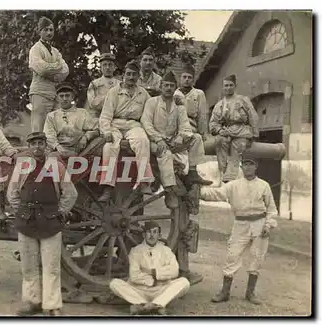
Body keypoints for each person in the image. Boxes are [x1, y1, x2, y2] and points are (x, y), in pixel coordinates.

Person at [7, 132, 78, 316]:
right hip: (27, 220)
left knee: (51, 266)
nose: (37, 147)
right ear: (29, 147)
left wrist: (60, 211)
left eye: (40, 143)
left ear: (46, 145)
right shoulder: (22, 166)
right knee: (29, 265)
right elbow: (12, 192)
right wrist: (21, 210)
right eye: (33, 144)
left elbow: (70, 193)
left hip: (50, 220)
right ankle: (32, 302)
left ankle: (52, 305)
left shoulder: (56, 166)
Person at [200, 156, 278, 305]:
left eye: (251, 164)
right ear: (241, 167)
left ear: (256, 167)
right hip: (240, 224)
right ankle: (225, 292)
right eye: (245, 164)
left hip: (259, 224)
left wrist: (269, 225)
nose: (248, 167)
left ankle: (250, 293)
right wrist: (199, 190)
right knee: (232, 255)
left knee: (257, 257)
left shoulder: (264, 185)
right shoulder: (233, 185)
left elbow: (272, 209)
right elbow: (215, 194)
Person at [141, 71, 212, 208]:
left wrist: (180, 137)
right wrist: (158, 139)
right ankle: (169, 190)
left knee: (196, 138)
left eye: (171, 86)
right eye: (166, 85)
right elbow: (146, 123)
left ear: (175, 88)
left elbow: (185, 126)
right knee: (165, 153)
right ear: (161, 86)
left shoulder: (179, 106)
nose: (168, 88)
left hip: (173, 141)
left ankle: (192, 170)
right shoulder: (152, 102)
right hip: (156, 141)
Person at [97, 60, 155, 202]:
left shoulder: (143, 93)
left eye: (134, 75)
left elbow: (150, 112)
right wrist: (106, 131)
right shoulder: (114, 92)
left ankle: (144, 181)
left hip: (133, 124)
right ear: (123, 75)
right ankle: (108, 187)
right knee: (109, 147)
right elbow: (105, 115)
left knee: (142, 141)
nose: (131, 77)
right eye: (128, 74)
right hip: (115, 123)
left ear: (138, 76)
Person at [109, 221, 190, 315]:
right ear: (144, 235)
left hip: (160, 289)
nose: (152, 235)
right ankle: (149, 305)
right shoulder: (135, 251)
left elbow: (174, 271)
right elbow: (134, 275)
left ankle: (151, 304)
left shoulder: (166, 251)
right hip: (140, 290)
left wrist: (154, 272)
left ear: (159, 236)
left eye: (155, 232)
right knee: (114, 283)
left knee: (184, 282)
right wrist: (153, 279)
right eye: (149, 232)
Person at [209, 74, 259, 183]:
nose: (228, 88)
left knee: (237, 147)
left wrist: (254, 135)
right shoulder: (220, 104)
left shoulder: (243, 100)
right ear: (223, 87)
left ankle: (230, 177)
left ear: (235, 86)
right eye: (226, 85)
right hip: (227, 131)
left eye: (231, 85)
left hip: (242, 131)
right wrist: (219, 130)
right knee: (219, 141)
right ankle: (223, 171)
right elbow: (213, 123)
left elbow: (253, 117)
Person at [28, 16, 69, 133]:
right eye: (45, 30)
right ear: (39, 31)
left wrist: (53, 72)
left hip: (54, 92)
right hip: (39, 92)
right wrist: (57, 66)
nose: (49, 32)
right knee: (38, 127)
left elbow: (66, 70)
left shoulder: (55, 51)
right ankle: (36, 150)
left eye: (51, 30)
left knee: (55, 127)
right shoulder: (35, 49)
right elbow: (42, 69)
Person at [43, 82, 100, 159]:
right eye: (61, 96)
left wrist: (86, 137)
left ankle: (80, 157)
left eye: (67, 95)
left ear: (72, 97)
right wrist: (58, 147)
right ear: (57, 98)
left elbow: (97, 129)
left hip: (79, 149)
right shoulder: (52, 115)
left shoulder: (82, 112)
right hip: (59, 148)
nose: (65, 99)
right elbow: (49, 135)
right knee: (52, 157)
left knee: (100, 140)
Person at [174, 64, 209, 140]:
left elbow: (202, 115)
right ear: (180, 78)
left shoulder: (198, 93)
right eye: (184, 77)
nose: (187, 79)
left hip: (191, 125)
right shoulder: (174, 94)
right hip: (176, 126)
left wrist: (202, 133)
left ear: (193, 79)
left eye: (189, 77)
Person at [85, 53, 120, 118]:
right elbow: (93, 104)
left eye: (110, 65)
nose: (107, 67)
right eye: (104, 65)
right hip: (98, 117)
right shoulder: (94, 84)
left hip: (116, 118)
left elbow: (123, 103)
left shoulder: (120, 84)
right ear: (100, 67)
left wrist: (101, 98)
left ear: (114, 67)